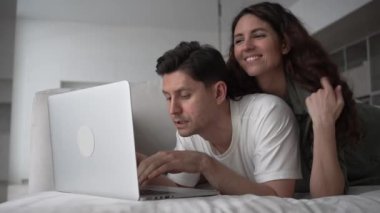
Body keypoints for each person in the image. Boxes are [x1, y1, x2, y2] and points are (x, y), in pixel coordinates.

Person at [226, 2, 380, 198]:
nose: (246, 46)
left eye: (258, 35)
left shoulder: (315, 95)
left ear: (284, 44)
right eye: (238, 40)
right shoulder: (244, 102)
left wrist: (323, 123)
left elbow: (326, 195)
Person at [137, 41, 301, 197]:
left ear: (218, 93)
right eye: (168, 98)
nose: (173, 110)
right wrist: (143, 168)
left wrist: (204, 164)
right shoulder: (189, 130)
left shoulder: (267, 114)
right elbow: (181, 190)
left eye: (185, 95)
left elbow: (279, 198)